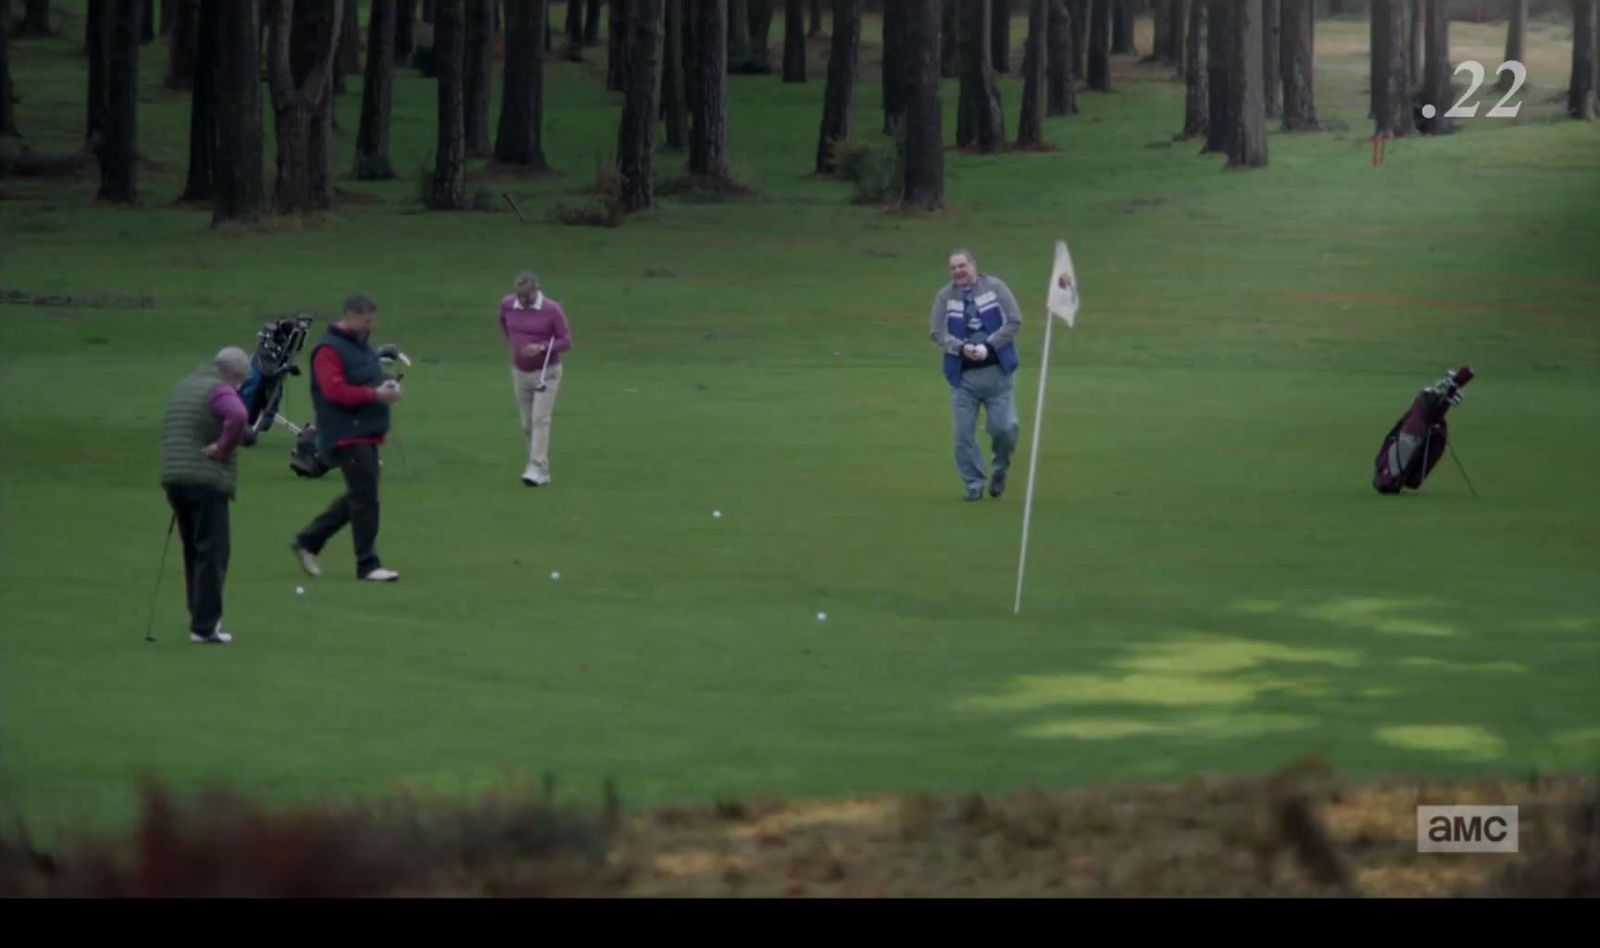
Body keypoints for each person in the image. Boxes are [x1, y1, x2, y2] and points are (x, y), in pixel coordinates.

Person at [291, 293, 403, 582]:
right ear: (350, 317)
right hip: (345, 433)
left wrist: (386, 387)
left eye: (372, 321)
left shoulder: (363, 348)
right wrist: (375, 395)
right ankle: (367, 564)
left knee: (360, 495)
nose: (370, 327)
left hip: (366, 432)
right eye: (366, 321)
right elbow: (334, 391)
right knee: (365, 499)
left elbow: (368, 380)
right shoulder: (328, 350)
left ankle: (308, 541)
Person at [159, 347, 254, 643]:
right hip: (203, 478)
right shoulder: (220, 389)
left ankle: (199, 617)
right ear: (234, 375)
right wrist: (223, 447)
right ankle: (206, 627)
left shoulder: (187, 384)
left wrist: (239, 434)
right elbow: (237, 415)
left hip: (174, 477)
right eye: (241, 382)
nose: (239, 388)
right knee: (213, 551)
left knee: (194, 550)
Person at [929, 248, 1024, 502]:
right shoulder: (945, 297)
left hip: (998, 374)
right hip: (963, 379)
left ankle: (1000, 471)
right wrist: (961, 348)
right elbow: (936, 333)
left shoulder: (995, 287)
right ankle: (973, 484)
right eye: (953, 268)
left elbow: (1014, 322)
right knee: (962, 437)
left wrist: (989, 346)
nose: (958, 271)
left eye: (962, 265)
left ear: (973, 265)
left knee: (1004, 430)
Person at [498, 270, 573, 486]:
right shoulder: (507, 305)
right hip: (520, 372)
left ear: (536, 291)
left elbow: (566, 341)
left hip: (546, 372)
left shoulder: (551, 310)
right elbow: (504, 324)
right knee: (527, 424)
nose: (522, 300)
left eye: (527, 296)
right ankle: (543, 472)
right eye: (519, 295)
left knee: (540, 419)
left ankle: (535, 467)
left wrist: (541, 348)